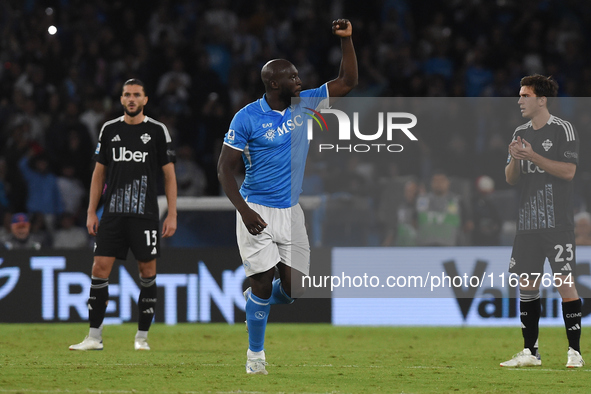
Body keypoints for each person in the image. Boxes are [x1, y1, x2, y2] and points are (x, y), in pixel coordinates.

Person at [217, 19, 357, 375]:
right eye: (293, 77)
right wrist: (244, 210)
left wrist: (347, 40)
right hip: (256, 209)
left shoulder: (304, 103)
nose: (300, 81)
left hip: (290, 211)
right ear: (275, 83)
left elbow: (348, 81)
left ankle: (255, 303)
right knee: (263, 281)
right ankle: (255, 357)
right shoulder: (247, 118)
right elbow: (224, 169)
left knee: (296, 289)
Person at [69, 79, 177, 351]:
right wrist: (92, 211)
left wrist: (172, 213)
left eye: (136, 95)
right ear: (121, 100)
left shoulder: (157, 131)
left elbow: (169, 175)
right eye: (127, 95)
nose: (131, 99)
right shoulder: (109, 129)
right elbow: (98, 174)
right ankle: (94, 336)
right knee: (99, 269)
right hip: (113, 214)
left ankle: (141, 337)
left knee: (147, 271)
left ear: (145, 99)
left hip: (145, 214)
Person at [501, 74, 584, 368]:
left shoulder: (563, 129)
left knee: (564, 284)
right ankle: (530, 352)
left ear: (541, 100)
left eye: (525, 95)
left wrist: (532, 156)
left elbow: (568, 172)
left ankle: (574, 351)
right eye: (520, 95)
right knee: (527, 285)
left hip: (557, 223)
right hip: (527, 225)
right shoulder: (520, 131)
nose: (520, 100)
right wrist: (514, 158)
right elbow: (511, 179)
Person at [415, 170, 473, 246]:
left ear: (448, 182)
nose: (438, 183)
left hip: (450, 247)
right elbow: (414, 221)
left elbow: (468, 225)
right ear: (431, 183)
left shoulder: (457, 201)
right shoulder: (421, 200)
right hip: (425, 248)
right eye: (435, 180)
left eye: (441, 180)